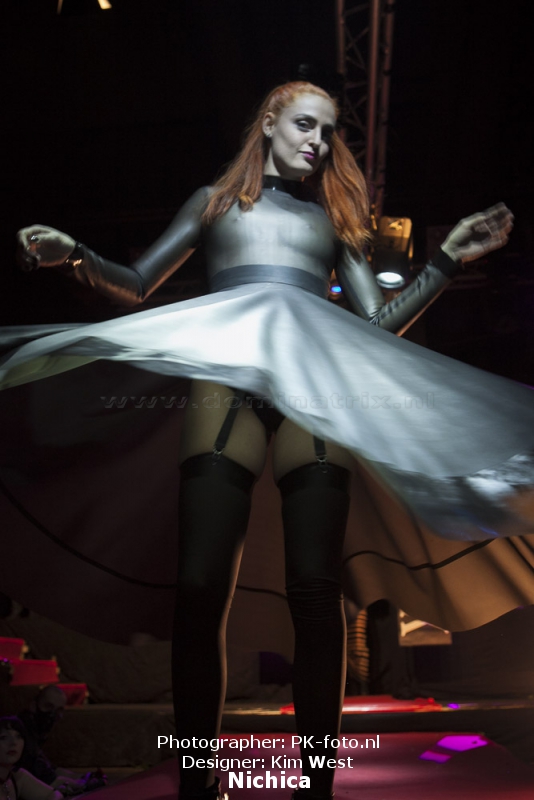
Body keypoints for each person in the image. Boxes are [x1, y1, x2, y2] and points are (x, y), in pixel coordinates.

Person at [5, 81, 531, 800]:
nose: (319, 141)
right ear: (270, 123)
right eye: (307, 125)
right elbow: (137, 283)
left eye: (329, 131)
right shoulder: (214, 203)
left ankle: (315, 785)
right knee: (199, 590)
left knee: (315, 591)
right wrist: (75, 256)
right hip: (228, 377)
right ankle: (198, 780)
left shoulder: (334, 221)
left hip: (316, 386)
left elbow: (376, 328)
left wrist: (444, 261)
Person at [0, 716, 63, 800]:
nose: (13, 742)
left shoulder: (17, 776)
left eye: (18, 736)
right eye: (3, 737)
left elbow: (55, 795)